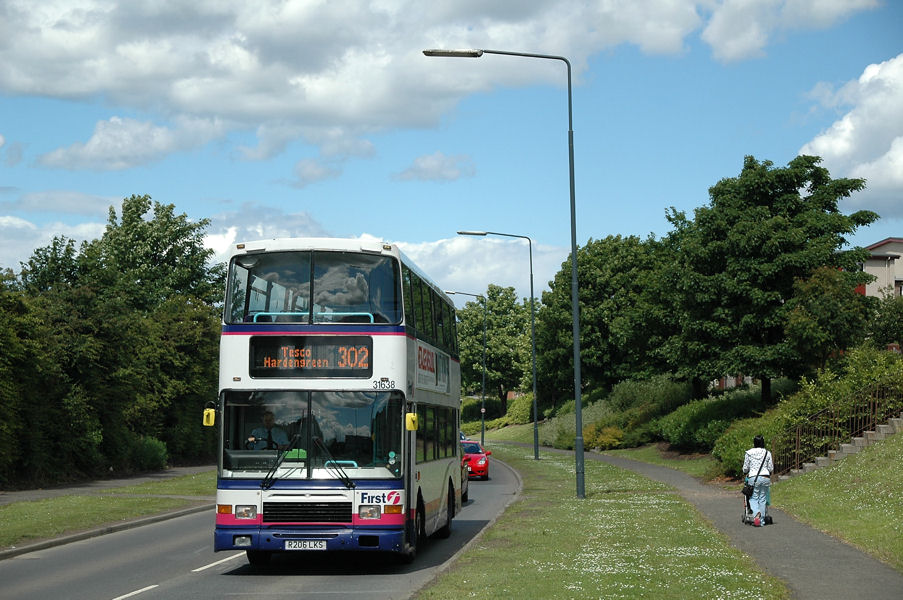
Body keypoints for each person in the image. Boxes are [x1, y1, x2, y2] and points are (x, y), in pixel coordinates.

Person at [742, 434, 773, 527]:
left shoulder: (749, 453)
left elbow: (745, 468)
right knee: (762, 498)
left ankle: (757, 515)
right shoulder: (767, 453)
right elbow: (770, 468)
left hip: (753, 477)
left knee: (753, 498)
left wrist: (747, 471)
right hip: (765, 477)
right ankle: (762, 519)